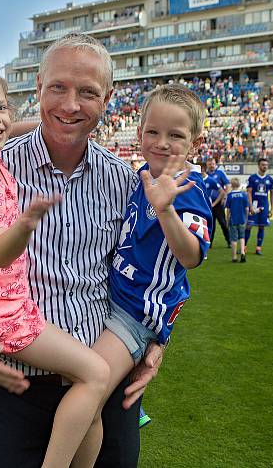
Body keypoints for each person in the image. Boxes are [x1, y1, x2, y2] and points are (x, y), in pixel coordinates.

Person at [0, 33, 161, 467]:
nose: (70, 105)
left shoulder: (125, 181)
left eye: (88, 92)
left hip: (99, 385)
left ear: (109, 98)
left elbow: (149, 273)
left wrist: (157, 339)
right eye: (58, 88)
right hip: (17, 384)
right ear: (39, 86)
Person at [0, 64, 111, 466]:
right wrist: (25, 224)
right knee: (96, 375)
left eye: (2, 107)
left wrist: (55, 120)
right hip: (2, 312)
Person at [95, 85, 212, 437]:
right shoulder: (140, 175)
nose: (162, 142)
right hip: (111, 299)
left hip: (134, 313)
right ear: (140, 132)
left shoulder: (187, 187)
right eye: (153, 132)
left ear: (196, 143)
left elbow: (191, 256)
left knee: (86, 387)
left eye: (175, 135)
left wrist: (165, 210)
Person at [245, 158, 273, 255]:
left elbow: (272, 194)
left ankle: (258, 248)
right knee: (249, 226)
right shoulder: (252, 178)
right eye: (263, 165)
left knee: (262, 226)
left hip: (264, 206)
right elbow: (249, 192)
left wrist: (272, 208)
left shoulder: (270, 179)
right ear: (258, 165)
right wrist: (250, 206)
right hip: (253, 205)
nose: (265, 166)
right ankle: (243, 247)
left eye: (266, 165)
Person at [205, 157, 231, 247]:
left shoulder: (220, 173)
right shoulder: (205, 175)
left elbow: (228, 185)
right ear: (207, 165)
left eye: (212, 164)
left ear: (215, 164)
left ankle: (229, 240)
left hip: (219, 203)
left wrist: (225, 197)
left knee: (223, 223)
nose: (211, 166)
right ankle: (210, 243)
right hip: (208, 204)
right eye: (209, 164)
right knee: (211, 224)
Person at [225, 177, 250, 263]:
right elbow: (247, 208)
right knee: (242, 237)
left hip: (233, 219)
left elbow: (228, 210)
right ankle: (243, 252)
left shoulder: (229, 195)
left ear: (231, 185)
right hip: (242, 219)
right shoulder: (244, 194)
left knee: (234, 238)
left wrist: (227, 220)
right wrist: (246, 218)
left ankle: (234, 256)